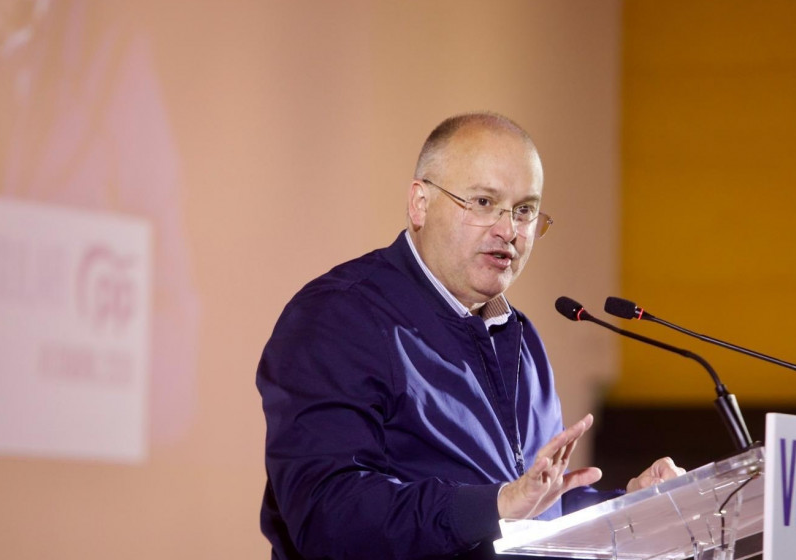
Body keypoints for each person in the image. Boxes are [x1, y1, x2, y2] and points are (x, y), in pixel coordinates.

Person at [256, 112, 685, 560]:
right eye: (483, 202)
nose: (509, 231)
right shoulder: (338, 317)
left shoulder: (519, 338)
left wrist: (631, 508)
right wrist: (496, 506)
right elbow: (329, 516)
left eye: (525, 211)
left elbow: (532, 514)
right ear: (420, 203)